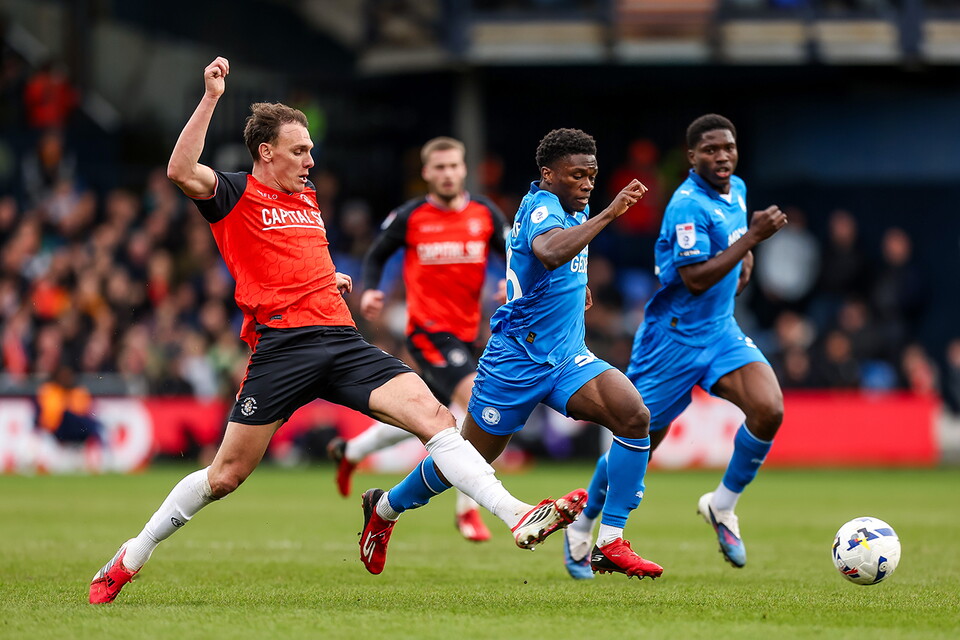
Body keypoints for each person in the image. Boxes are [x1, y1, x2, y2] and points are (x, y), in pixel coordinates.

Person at [88, 57, 585, 604]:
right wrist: (210, 98)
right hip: (282, 350)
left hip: (342, 340)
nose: (311, 159)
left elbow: (291, 255)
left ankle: (515, 514)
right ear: (265, 153)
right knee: (225, 475)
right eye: (299, 150)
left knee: (437, 418)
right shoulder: (233, 194)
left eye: (310, 149)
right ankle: (131, 555)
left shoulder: (306, 196)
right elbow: (181, 170)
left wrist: (328, 278)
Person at [357, 128, 663, 579]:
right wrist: (609, 213)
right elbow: (549, 250)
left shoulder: (565, 209)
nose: (587, 184)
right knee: (467, 462)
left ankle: (610, 542)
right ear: (548, 174)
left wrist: (580, 290)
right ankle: (384, 508)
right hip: (515, 363)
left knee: (633, 415)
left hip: (566, 358)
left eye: (592, 175)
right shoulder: (542, 207)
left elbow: (555, 264)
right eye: (577, 175)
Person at [562, 114, 788, 579]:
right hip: (673, 341)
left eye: (728, 146)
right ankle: (582, 526)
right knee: (638, 441)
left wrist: (743, 256)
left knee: (769, 409)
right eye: (710, 149)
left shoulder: (738, 190)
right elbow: (695, 278)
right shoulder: (686, 205)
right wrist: (752, 240)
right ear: (691, 157)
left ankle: (721, 507)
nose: (721, 155)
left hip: (720, 331)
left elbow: (728, 250)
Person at [326, 136, 509, 543]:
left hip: (470, 333)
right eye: (439, 167)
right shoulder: (411, 216)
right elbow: (377, 253)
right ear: (426, 173)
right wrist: (371, 289)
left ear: (464, 170)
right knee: (477, 405)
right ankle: (468, 511)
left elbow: (512, 254)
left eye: (454, 166)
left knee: (431, 415)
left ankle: (351, 451)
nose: (447, 174)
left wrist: (509, 285)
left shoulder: (484, 214)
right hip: (428, 332)